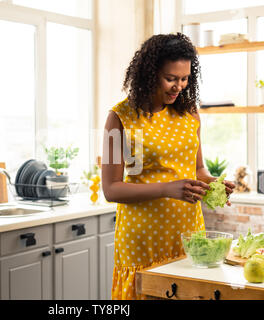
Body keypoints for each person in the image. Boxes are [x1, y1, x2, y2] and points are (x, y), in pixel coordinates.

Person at [101, 33, 236, 300]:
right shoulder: (120, 119)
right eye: (171, 79)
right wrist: (167, 188)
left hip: (187, 234)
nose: (179, 86)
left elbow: (198, 170)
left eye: (185, 78)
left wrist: (213, 183)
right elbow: (111, 189)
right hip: (142, 237)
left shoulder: (189, 114)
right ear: (150, 74)